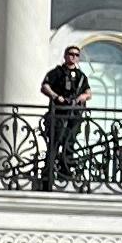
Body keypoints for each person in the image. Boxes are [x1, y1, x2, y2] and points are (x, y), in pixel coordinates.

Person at [40, 41, 93, 186]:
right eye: (71, 54)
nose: (73, 57)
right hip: (58, 112)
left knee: (70, 142)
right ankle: (49, 171)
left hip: (74, 114)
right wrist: (57, 97)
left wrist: (82, 97)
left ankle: (66, 171)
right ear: (65, 56)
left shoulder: (81, 76)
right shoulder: (57, 72)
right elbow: (45, 86)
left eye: (76, 55)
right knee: (55, 142)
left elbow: (88, 92)